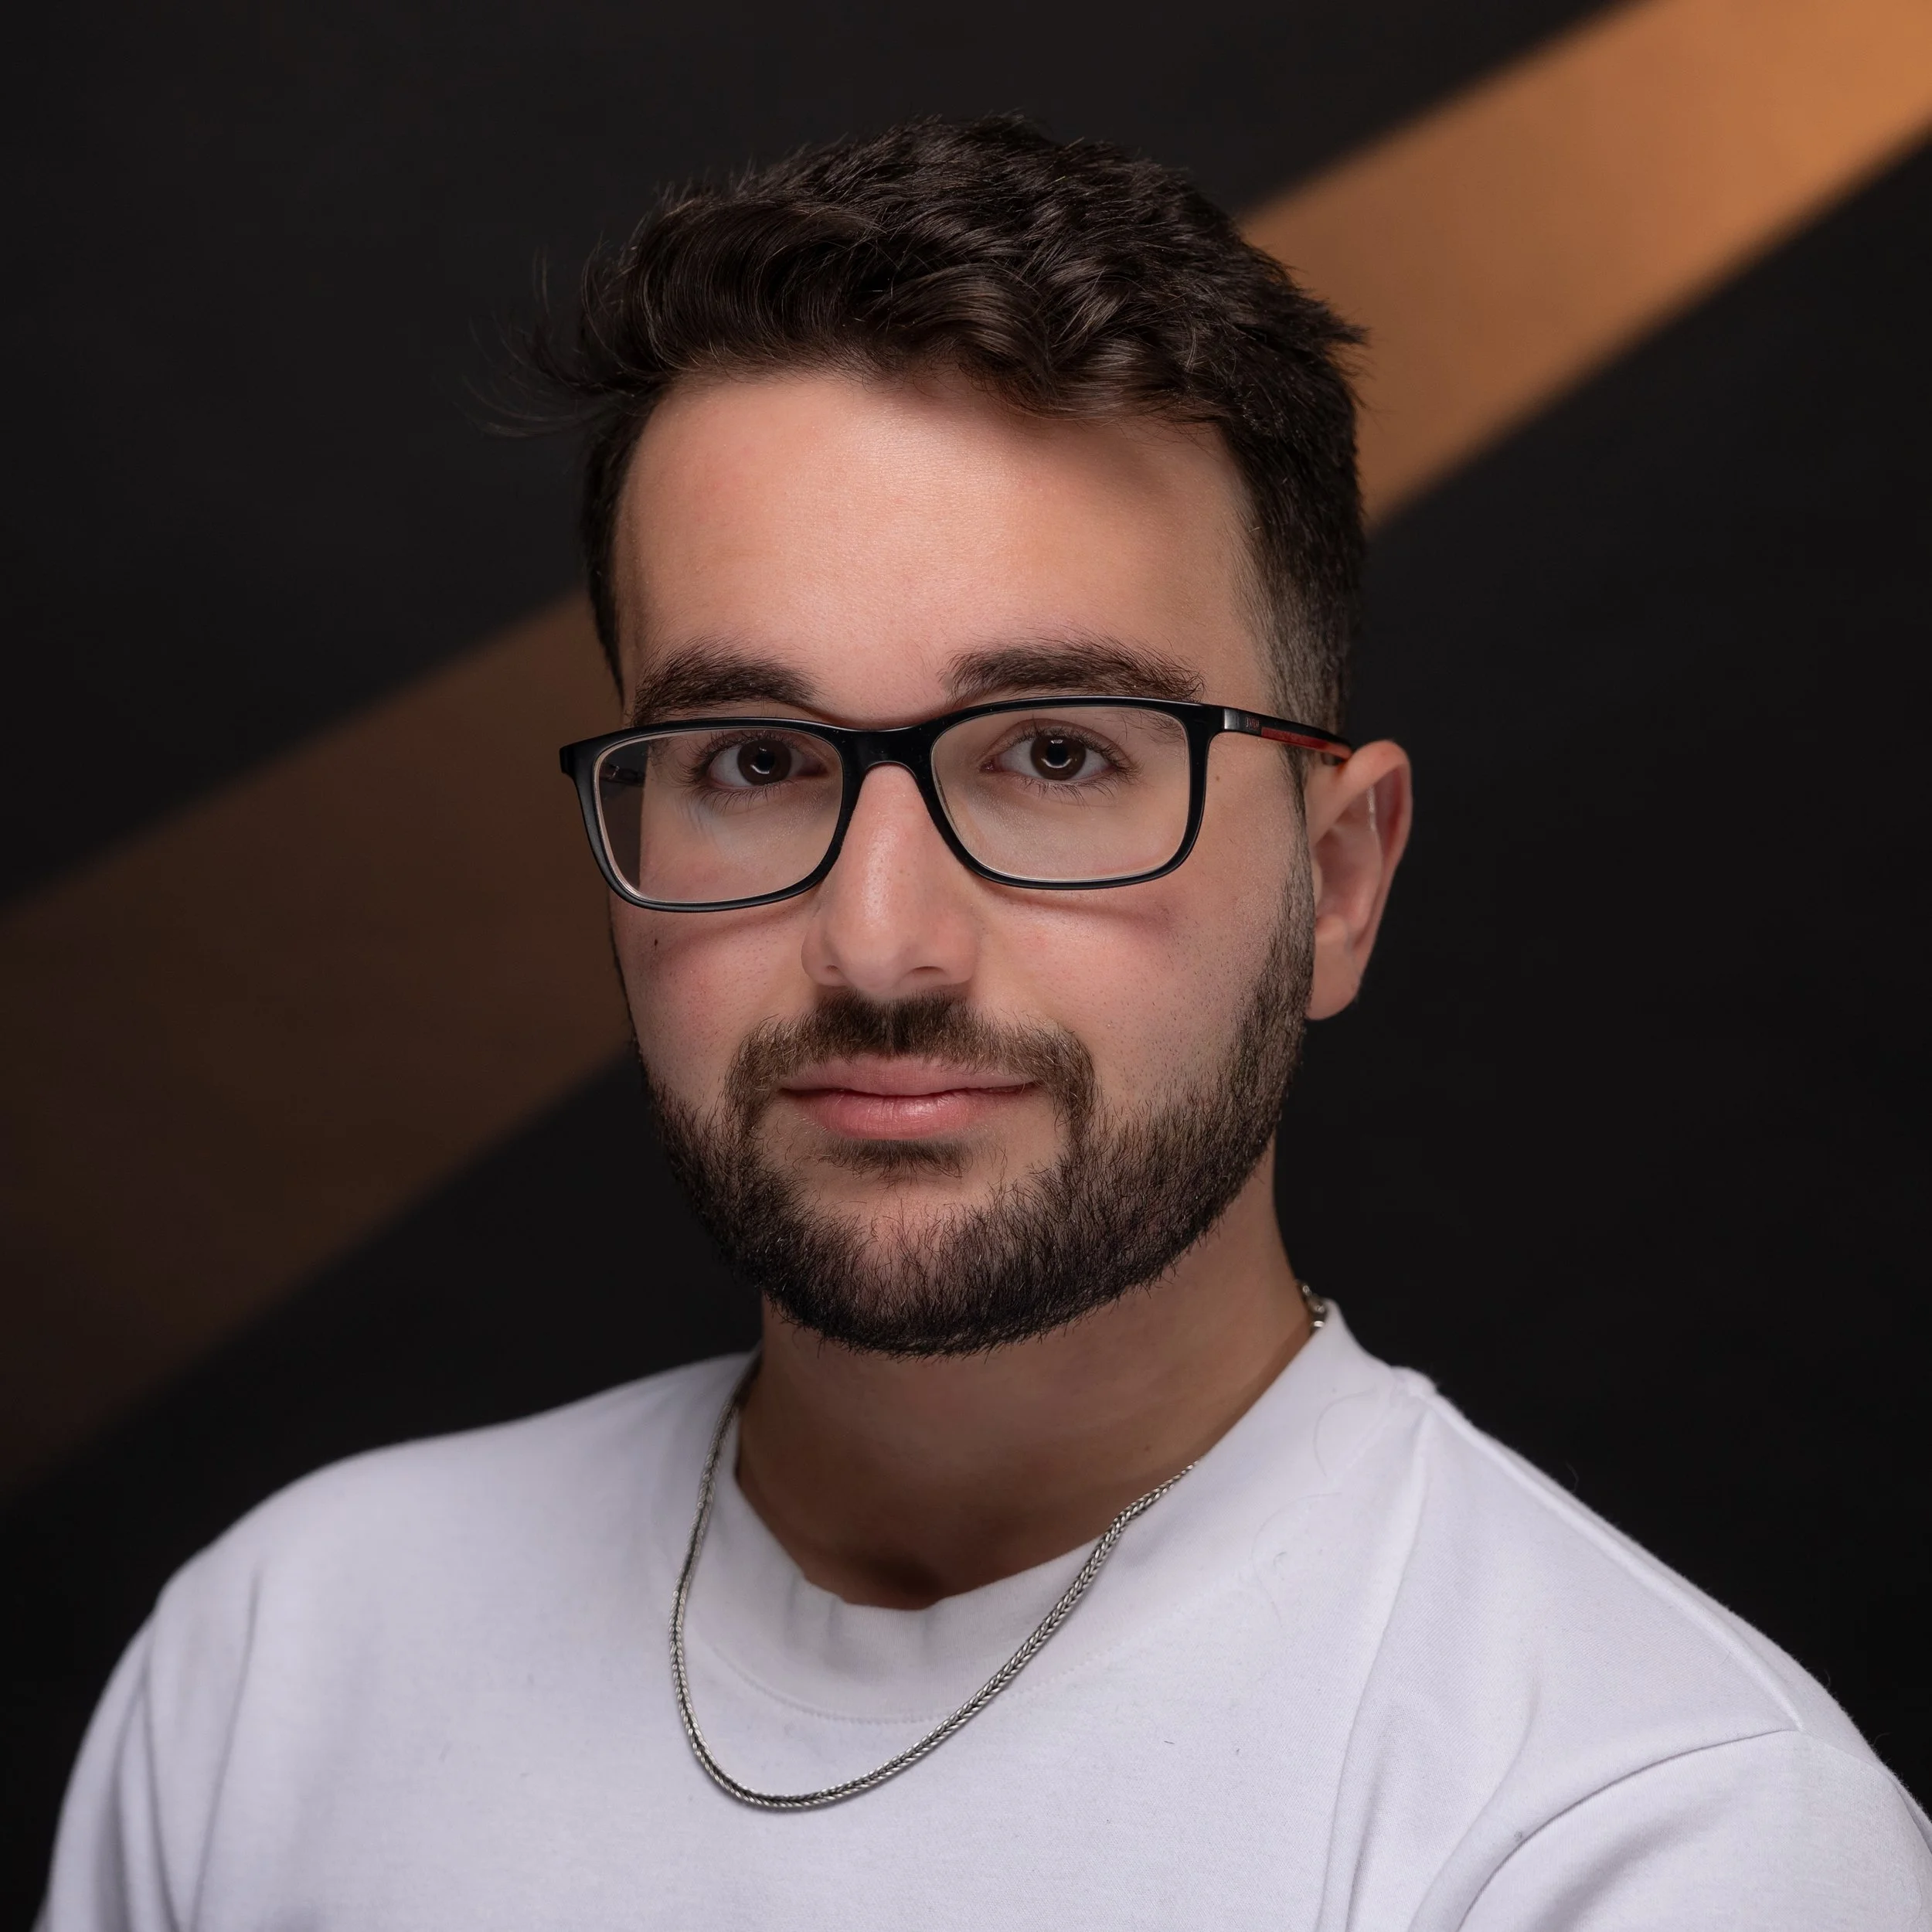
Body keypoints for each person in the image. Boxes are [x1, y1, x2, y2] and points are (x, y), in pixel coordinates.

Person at [40, 116, 1930, 1930]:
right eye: (754, 759)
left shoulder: (1648, 1834)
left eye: (1053, 753)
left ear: (1338, 881)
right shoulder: (284, 1655)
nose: (880, 944)